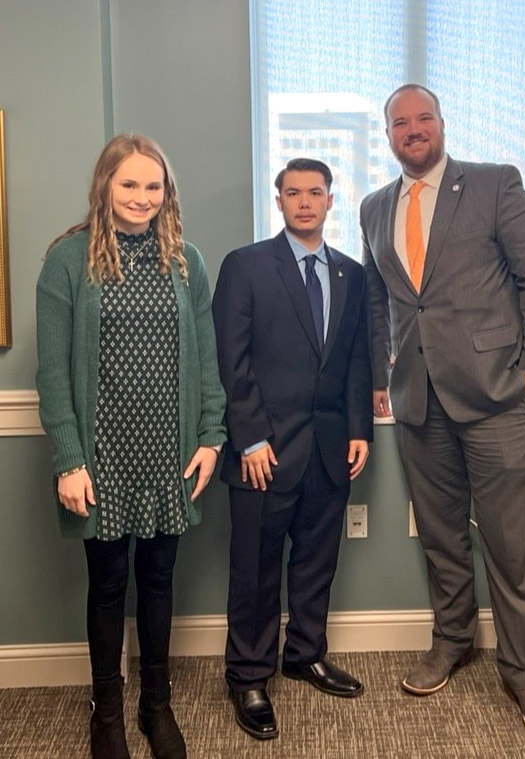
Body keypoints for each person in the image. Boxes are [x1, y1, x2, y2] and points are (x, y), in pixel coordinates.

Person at [360, 84, 525, 743]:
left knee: (510, 544)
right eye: (400, 122)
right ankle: (451, 640)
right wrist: (377, 377)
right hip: (419, 400)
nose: (412, 130)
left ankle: (523, 671)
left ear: (441, 125)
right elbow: (375, 302)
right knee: (443, 536)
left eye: (423, 119)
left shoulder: (492, 184)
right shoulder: (372, 208)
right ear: (387, 134)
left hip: (497, 396)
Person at [36, 134, 226, 759]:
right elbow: (54, 374)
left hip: (169, 453)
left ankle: (156, 703)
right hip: (101, 457)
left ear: (167, 191)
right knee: (109, 584)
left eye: (154, 186)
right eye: (129, 184)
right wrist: (68, 458)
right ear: (105, 186)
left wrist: (210, 437)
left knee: (160, 580)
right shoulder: (68, 261)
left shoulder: (185, 261)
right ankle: (107, 710)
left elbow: (207, 361)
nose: (142, 198)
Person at [212, 158, 373, 740]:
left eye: (316, 192)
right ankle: (248, 674)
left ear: (331, 201)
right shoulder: (247, 266)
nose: (305, 202)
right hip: (264, 452)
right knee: (254, 568)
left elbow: (356, 357)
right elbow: (230, 361)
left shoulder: (351, 274)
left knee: (316, 560)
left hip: (331, 448)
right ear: (277, 201)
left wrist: (360, 429)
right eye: (293, 193)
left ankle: (306, 653)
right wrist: (250, 437)